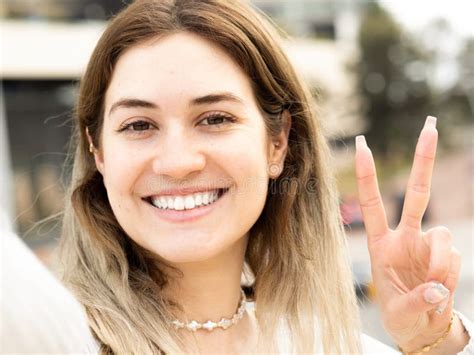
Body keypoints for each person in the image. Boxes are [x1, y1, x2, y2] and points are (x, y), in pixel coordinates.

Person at [57, 0, 473, 353]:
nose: (177, 162)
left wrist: (434, 341)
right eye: (138, 125)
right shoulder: (45, 338)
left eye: (215, 118)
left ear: (277, 143)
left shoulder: (325, 343)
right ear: (99, 153)